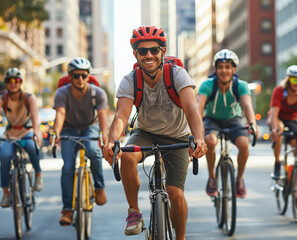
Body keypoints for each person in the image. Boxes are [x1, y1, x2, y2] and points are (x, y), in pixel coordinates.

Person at [103, 25, 207, 239]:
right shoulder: (130, 80)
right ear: (135, 54)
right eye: (142, 51)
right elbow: (121, 116)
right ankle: (134, 212)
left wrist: (198, 138)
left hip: (177, 136)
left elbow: (191, 109)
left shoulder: (178, 74)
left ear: (163, 51)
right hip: (146, 133)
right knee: (128, 156)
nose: (148, 55)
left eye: (154, 50)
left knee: (176, 193)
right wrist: (112, 142)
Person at [52, 57, 108, 226]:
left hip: (89, 128)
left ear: (88, 76)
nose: (80, 79)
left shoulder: (97, 93)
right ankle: (68, 210)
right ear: (70, 76)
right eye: (76, 75)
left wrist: (104, 135)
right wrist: (56, 134)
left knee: (93, 151)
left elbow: (103, 117)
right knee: (68, 167)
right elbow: (60, 114)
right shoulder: (62, 93)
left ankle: (99, 188)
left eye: (84, 75)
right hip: (69, 130)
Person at [196, 49, 259, 199]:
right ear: (216, 69)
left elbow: (247, 106)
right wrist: (197, 128)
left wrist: (252, 124)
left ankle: (240, 179)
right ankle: (212, 177)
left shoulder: (241, 85)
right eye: (220, 67)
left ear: (234, 69)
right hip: (212, 119)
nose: (224, 70)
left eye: (227, 67)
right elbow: (198, 107)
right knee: (210, 141)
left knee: (244, 143)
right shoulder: (207, 85)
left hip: (233, 119)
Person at [0, 67, 43, 207]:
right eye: (10, 81)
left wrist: (37, 133)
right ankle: (6, 192)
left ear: (20, 83)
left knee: (31, 146)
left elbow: (35, 118)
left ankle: (38, 174)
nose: (13, 83)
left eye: (16, 80)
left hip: (26, 132)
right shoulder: (3, 99)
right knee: (5, 156)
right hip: (10, 135)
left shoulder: (28, 97)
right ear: (6, 83)